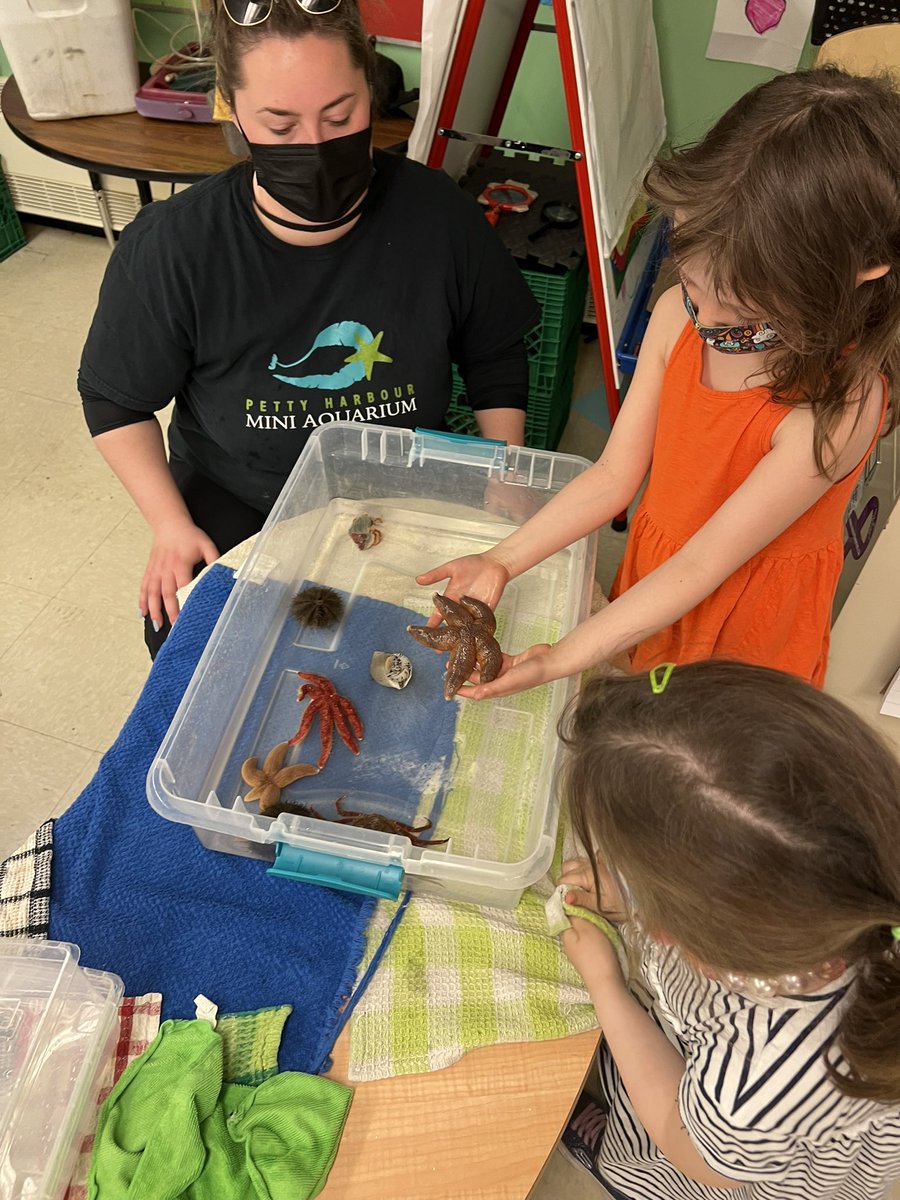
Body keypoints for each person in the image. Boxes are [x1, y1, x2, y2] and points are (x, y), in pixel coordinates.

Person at [418, 68, 900, 698]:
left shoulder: (841, 404)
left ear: (859, 271)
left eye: (743, 301)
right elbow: (615, 475)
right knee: (639, 690)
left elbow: (702, 567)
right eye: (695, 269)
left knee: (705, 739)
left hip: (747, 621)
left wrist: (558, 658)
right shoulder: (680, 315)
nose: (706, 309)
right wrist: (501, 560)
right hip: (659, 576)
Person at [78, 0, 539, 658]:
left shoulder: (441, 219)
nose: (316, 148)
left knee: (444, 646)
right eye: (280, 123)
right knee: (189, 647)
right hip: (240, 496)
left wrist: (507, 467)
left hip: (397, 496)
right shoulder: (173, 249)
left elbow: (494, 351)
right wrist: (168, 524)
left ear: (370, 88)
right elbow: (113, 400)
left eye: (340, 114)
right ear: (230, 110)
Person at [555, 659, 900, 1199]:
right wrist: (641, 892)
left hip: (733, 1153)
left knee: (648, 1146)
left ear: (670, 929)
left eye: (629, 868)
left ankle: (618, 1167)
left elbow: (690, 1144)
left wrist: (606, 987)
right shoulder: (870, 854)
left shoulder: (751, 1088)